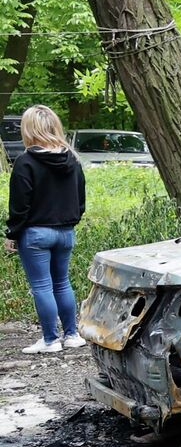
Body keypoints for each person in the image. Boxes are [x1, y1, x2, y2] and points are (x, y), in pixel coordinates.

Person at [5, 106, 86, 354]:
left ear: (29, 128)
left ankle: (50, 340)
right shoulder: (72, 159)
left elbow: (20, 205)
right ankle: (71, 334)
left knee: (41, 286)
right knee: (62, 283)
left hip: (35, 234)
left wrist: (12, 234)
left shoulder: (25, 162)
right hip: (65, 232)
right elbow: (80, 198)